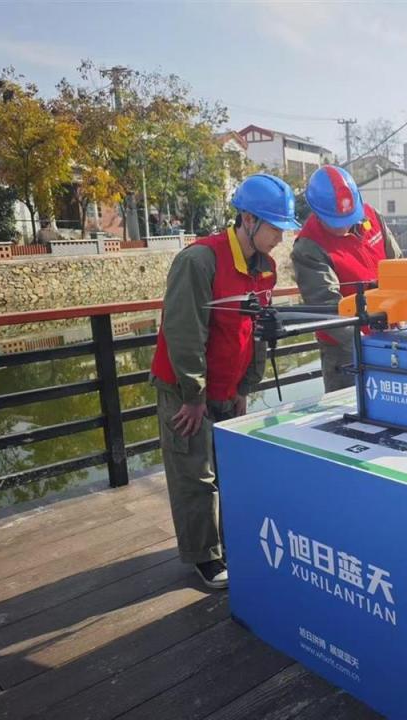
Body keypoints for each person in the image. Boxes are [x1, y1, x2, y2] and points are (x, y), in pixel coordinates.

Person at [149, 173, 300, 589]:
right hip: (185, 388)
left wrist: (244, 387)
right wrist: (194, 395)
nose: (281, 239)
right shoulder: (200, 261)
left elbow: (257, 331)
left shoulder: (264, 269)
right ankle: (204, 556)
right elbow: (183, 332)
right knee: (195, 473)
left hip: (227, 386)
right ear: (248, 220)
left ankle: (226, 543)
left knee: (229, 470)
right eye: (276, 228)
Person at [291, 165, 401, 392]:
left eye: (347, 219)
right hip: (345, 352)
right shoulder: (308, 246)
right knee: (353, 413)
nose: (342, 227)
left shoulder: (372, 217)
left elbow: (399, 267)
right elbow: (328, 306)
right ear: (317, 212)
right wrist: (366, 344)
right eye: (334, 221)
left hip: (392, 334)